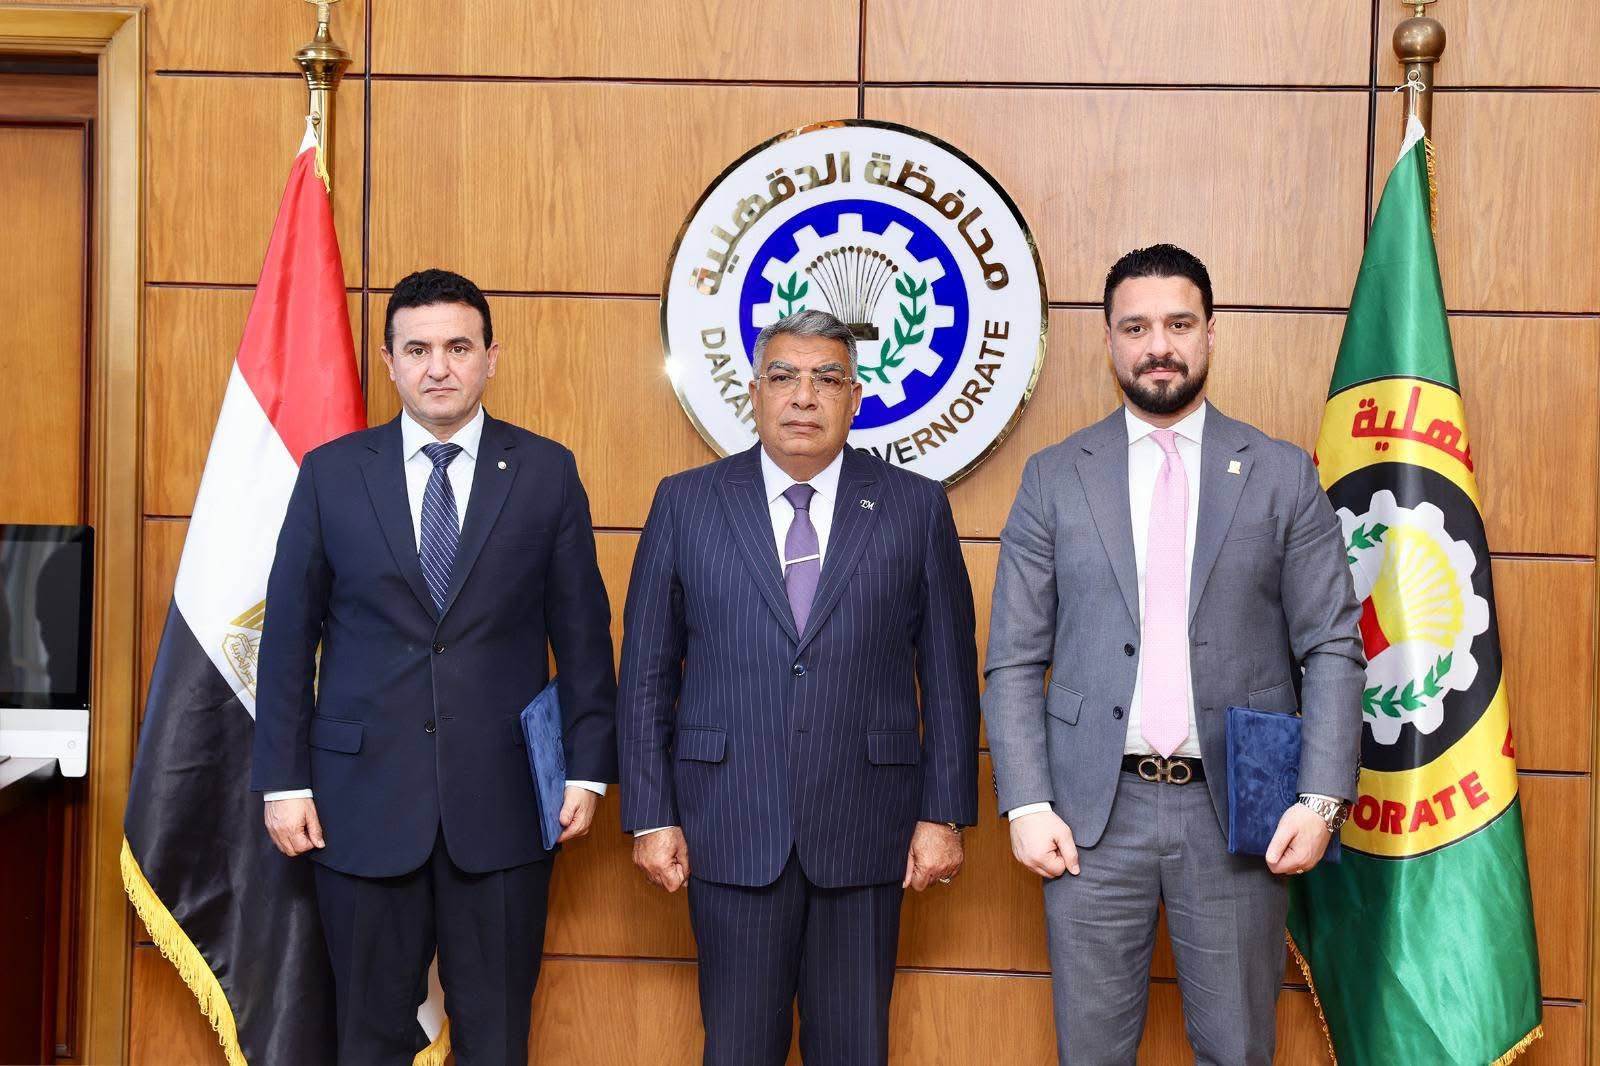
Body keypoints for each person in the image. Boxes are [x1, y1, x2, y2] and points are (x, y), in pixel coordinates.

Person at [983, 244, 1364, 1064]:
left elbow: (1333, 647)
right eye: (1136, 327)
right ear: (1109, 341)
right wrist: (1027, 803)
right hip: (1088, 817)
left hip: (1237, 814)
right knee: (1091, 1053)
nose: (1159, 345)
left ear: (1211, 333)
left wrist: (1321, 799)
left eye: (1179, 324)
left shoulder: (1280, 475)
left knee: (1237, 1049)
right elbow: (1013, 658)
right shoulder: (1054, 478)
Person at [251, 268, 618, 1064]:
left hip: (504, 807)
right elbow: (287, 639)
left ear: (491, 356)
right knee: (367, 1038)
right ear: (388, 362)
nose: (439, 367)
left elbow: (584, 634)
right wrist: (283, 783)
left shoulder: (546, 472)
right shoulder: (331, 473)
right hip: (357, 806)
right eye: (417, 349)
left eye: (458, 347)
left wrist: (588, 770)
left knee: (496, 1038)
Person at [617, 309, 980, 1065]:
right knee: (738, 1049)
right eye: (783, 376)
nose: (804, 396)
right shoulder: (686, 502)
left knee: (853, 1049)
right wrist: (650, 814)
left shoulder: (914, 506)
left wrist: (944, 814)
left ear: (856, 397)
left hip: (867, 829)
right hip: (728, 825)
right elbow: (646, 674)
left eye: (827, 379)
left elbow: (948, 676)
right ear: (754, 393)